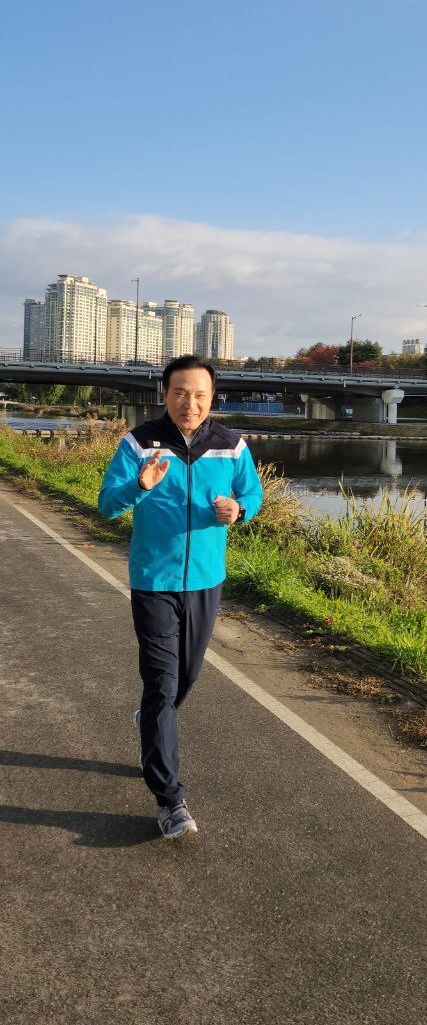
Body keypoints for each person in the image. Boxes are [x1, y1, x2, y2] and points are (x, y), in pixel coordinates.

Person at [98, 354, 263, 839]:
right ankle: (170, 799)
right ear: (165, 394)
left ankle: (151, 719)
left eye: (199, 395)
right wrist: (139, 485)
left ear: (212, 397)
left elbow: (252, 495)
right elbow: (107, 505)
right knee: (162, 684)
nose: (190, 403)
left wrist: (239, 509)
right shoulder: (139, 443)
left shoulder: (231, 446)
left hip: (206, 579)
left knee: (184, 679)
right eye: (180, 393)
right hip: (154, 580)